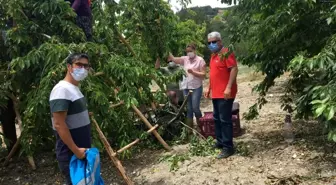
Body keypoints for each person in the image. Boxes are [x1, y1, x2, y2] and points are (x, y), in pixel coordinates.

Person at [49, 53, 91, 184]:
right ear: (69, 67)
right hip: (71, 154)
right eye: (79, 65)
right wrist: (76, 150)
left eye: (86, 66)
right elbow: (59, 124)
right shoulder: (61, 89)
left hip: (81, 150)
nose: (83, 68)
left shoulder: (74, 88)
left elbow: (70, 115)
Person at [204, 32, 238, 159]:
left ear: (220, 41)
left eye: (214, 41)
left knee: (225, 119)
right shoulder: (213, 56)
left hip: (225, 93)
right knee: (217, 118)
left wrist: (229, 87)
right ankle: (220, 141)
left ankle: (228, 147)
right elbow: (213, 74)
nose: (211, 44)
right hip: (216, 93)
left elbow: (234, 69)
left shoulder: (226, 52)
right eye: (209, 42)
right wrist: (209, 87)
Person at [168, 43, 206, 135]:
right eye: (187, 51)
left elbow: (204, 74)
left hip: (196, 87)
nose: (189, 53)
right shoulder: (184, 59)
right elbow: (173, 59)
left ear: (194, 50)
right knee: (189, 108)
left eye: (190, 51)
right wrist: (166, 49)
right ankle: (189, 130)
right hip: (186, 87)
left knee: (195, 107)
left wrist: (193, 72)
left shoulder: (200, 60)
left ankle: (201, 128)